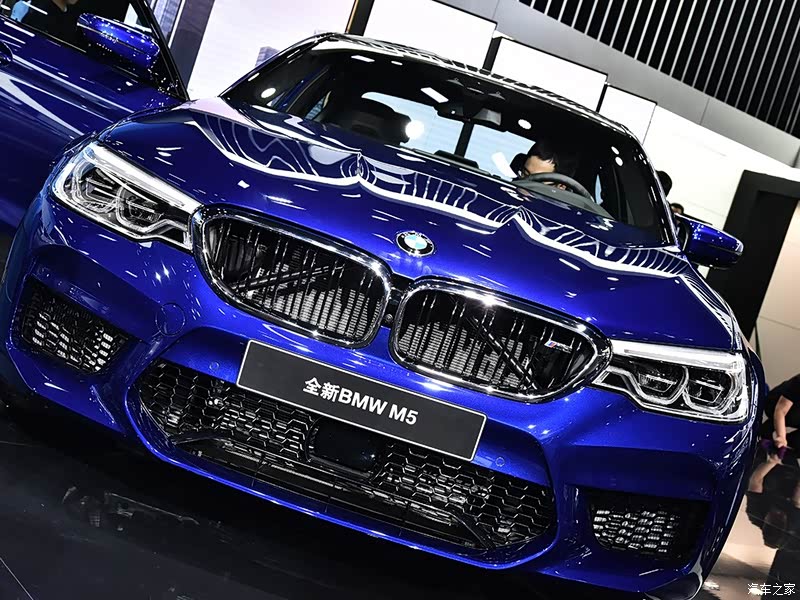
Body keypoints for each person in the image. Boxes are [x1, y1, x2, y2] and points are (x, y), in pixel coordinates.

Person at [762, 373, 800, 450]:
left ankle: (786, 442)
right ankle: (768, 430)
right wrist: (781, 437)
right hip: (774, 404)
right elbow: (781, 410)